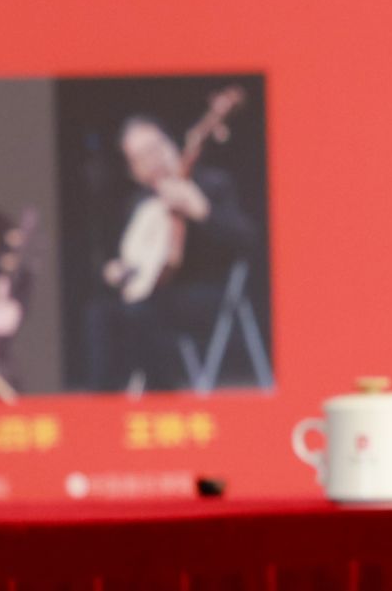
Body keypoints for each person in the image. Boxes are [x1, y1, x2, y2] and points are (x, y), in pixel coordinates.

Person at [80, 104, 260, 393]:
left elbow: (246, 240)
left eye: (153, 148)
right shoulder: (140, 204)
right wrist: (116, 270)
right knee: (99, 314)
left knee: (142, 312)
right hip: (153, 294)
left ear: (170, 142)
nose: (151, 160)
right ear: (133, 170)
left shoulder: (211, 184)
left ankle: (161, 396)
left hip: (206, 293)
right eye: (139, 157)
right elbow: (134, 259)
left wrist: (202, 211)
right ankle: (106, 404)